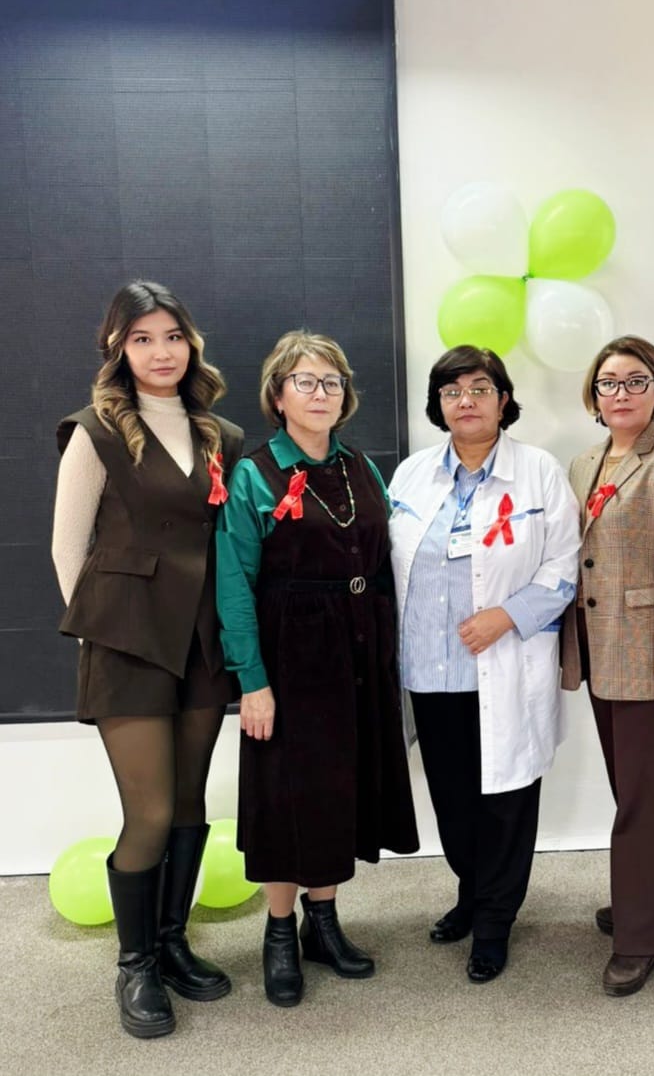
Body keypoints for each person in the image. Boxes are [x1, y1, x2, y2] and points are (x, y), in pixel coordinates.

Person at [51, 280, 244, 1038]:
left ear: (190, 344)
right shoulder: (94, 429)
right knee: (151, 812)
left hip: (202, 640)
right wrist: (102, 634)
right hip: (127, 640)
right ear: (118, 348)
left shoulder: (221, 435)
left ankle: (171, 943)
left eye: (172, 336)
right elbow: (68, 547)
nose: (160, 352)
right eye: (142, 339)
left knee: (191, 803)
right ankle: (134, 966)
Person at [215, 331, 419, 1007]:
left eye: (332, 381)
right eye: (305, 381)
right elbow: (233, 586)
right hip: (289, 654)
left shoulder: (362, 467)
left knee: (339, 788)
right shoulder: (253, 474)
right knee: (285, 794)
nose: (321, 392)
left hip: (356, 649)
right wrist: (252, 682)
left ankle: (322, 921)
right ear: (278, 395)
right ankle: (279, 930)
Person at [388, 346, 580, 984]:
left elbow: (563, 566)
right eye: (451, 391)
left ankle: (495, 921)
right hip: (430, 672)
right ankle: (471, 894)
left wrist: (506, 615)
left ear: (503, 399)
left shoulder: (539, 472)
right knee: (452, 799)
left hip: (506, 663)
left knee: (506, 799)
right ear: (437, 404)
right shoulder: (411, 475)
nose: (465, 401)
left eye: (479, 388)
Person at [560, 336, 654, 997]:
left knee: (639, 801)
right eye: (607, 383)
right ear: (593, 396)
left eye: (633, 381)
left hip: (651, 658)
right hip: (599, 649)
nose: (619, 394)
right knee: (637, 790)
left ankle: (639, 936)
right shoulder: (584, 462)